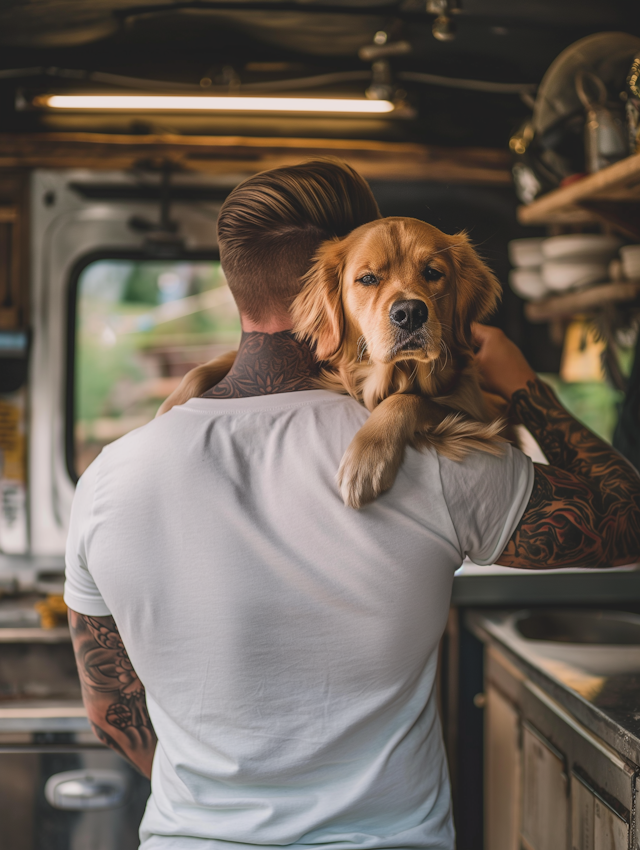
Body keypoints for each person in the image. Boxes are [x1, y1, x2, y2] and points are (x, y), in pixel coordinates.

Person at [64, 160, 640, 850]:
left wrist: (215, 819)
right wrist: (523, 385)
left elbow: (110, 715)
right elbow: (626, 522)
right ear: (332, 281)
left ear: (233, 277)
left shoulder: (108, 480)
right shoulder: (442, 461)